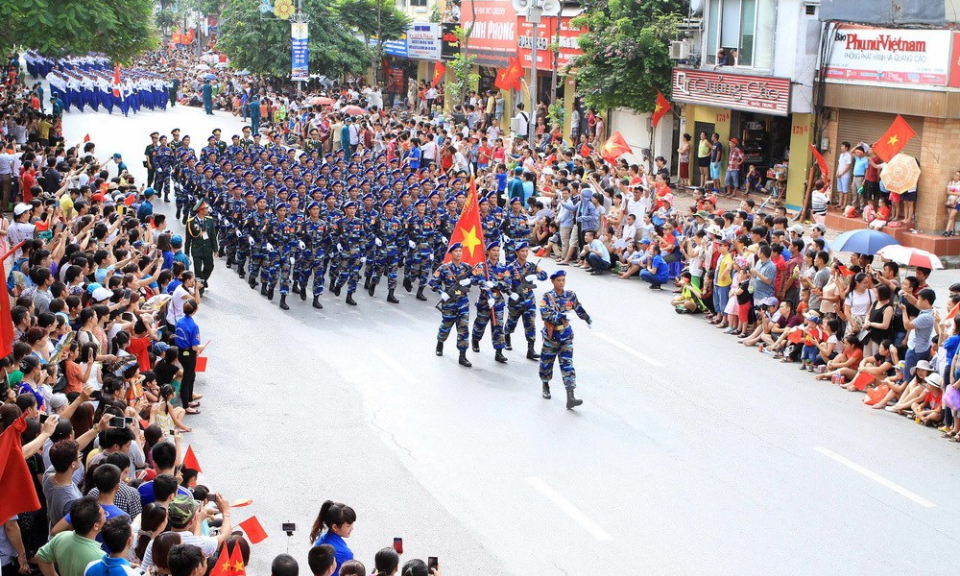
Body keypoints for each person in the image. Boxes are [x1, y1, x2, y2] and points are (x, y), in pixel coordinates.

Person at [538, 270, 591, 408]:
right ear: (553, 282)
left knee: (567, 364)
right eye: (558, 280)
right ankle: (545, 384)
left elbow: (578, 308)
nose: (561, 283)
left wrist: (587, 318)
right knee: (546, 363)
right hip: (552, 336)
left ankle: (570, 397)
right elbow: (545, 315)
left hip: (566, 335)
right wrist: (561, 316)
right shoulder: (547, 297)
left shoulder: (570, 295)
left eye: (563, 280)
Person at [429, 243, 474, 367]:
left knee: (463, 329)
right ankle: (440, 343)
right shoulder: (444, 268)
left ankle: (462, 355)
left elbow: (478, 277)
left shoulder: (467, 267)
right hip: (449, 303)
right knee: (446, 326)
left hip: (463, 303)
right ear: (451, 253)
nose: (458, 253)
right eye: (456, 251)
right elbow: (432, 282)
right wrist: (441, 292)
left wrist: (470, 280)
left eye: (460, 251)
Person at [35, 497, 105, 576]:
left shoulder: (61, 537)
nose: (105, 516)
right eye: (103, 514)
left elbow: (41, 557)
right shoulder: (100, 558)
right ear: (95, 526)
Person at [504, 241, 547, 359]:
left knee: (531, 324)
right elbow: (506, 281)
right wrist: (510, 292)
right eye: (522, 251)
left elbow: (544, 275)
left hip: (529, 300)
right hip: (516, 300)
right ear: (517, 252)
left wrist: (535, 276)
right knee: (511, 323)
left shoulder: (531, 266)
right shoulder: (510, 267)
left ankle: (531, 349)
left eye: (526, 251)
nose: (525, 253)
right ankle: (507, 335)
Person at [174, 299, 206, 414]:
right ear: (195, 310)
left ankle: (190, 399)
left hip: (181, 351)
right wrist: (202, 347)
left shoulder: (179, 321)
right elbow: (194, 346)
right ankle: (186, 405)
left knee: (191, 375)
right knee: (187, 379)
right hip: (189, 354)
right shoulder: (193, 326)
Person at [309, 501, 355, 576]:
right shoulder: (345, 553)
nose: (352, 528)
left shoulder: (320, 540)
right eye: (348, 526)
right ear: (335, 527)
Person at [184, 200, 217, 292]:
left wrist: (215, 249)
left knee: (209, 267)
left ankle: (202, 281)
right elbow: (188, 239)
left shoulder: (209, 221)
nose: (207, 209)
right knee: (197, 270)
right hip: (196, 249)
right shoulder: (191, 222)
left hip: (207, 248)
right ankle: (200, 289)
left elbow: (213, 236)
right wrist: (186, 253)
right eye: (206, 208)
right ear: (200, 210)